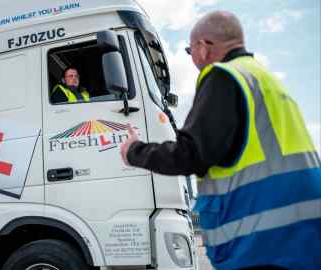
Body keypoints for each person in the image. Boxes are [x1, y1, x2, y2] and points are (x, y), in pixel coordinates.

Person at [120, 10, 321, 270]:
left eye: (189, 50)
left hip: (261, 235)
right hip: (304, 230)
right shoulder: (266, 80)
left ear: (203, 47)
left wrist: (134, 151)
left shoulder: (224, 76)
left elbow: (190, 153)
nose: (192, 57)